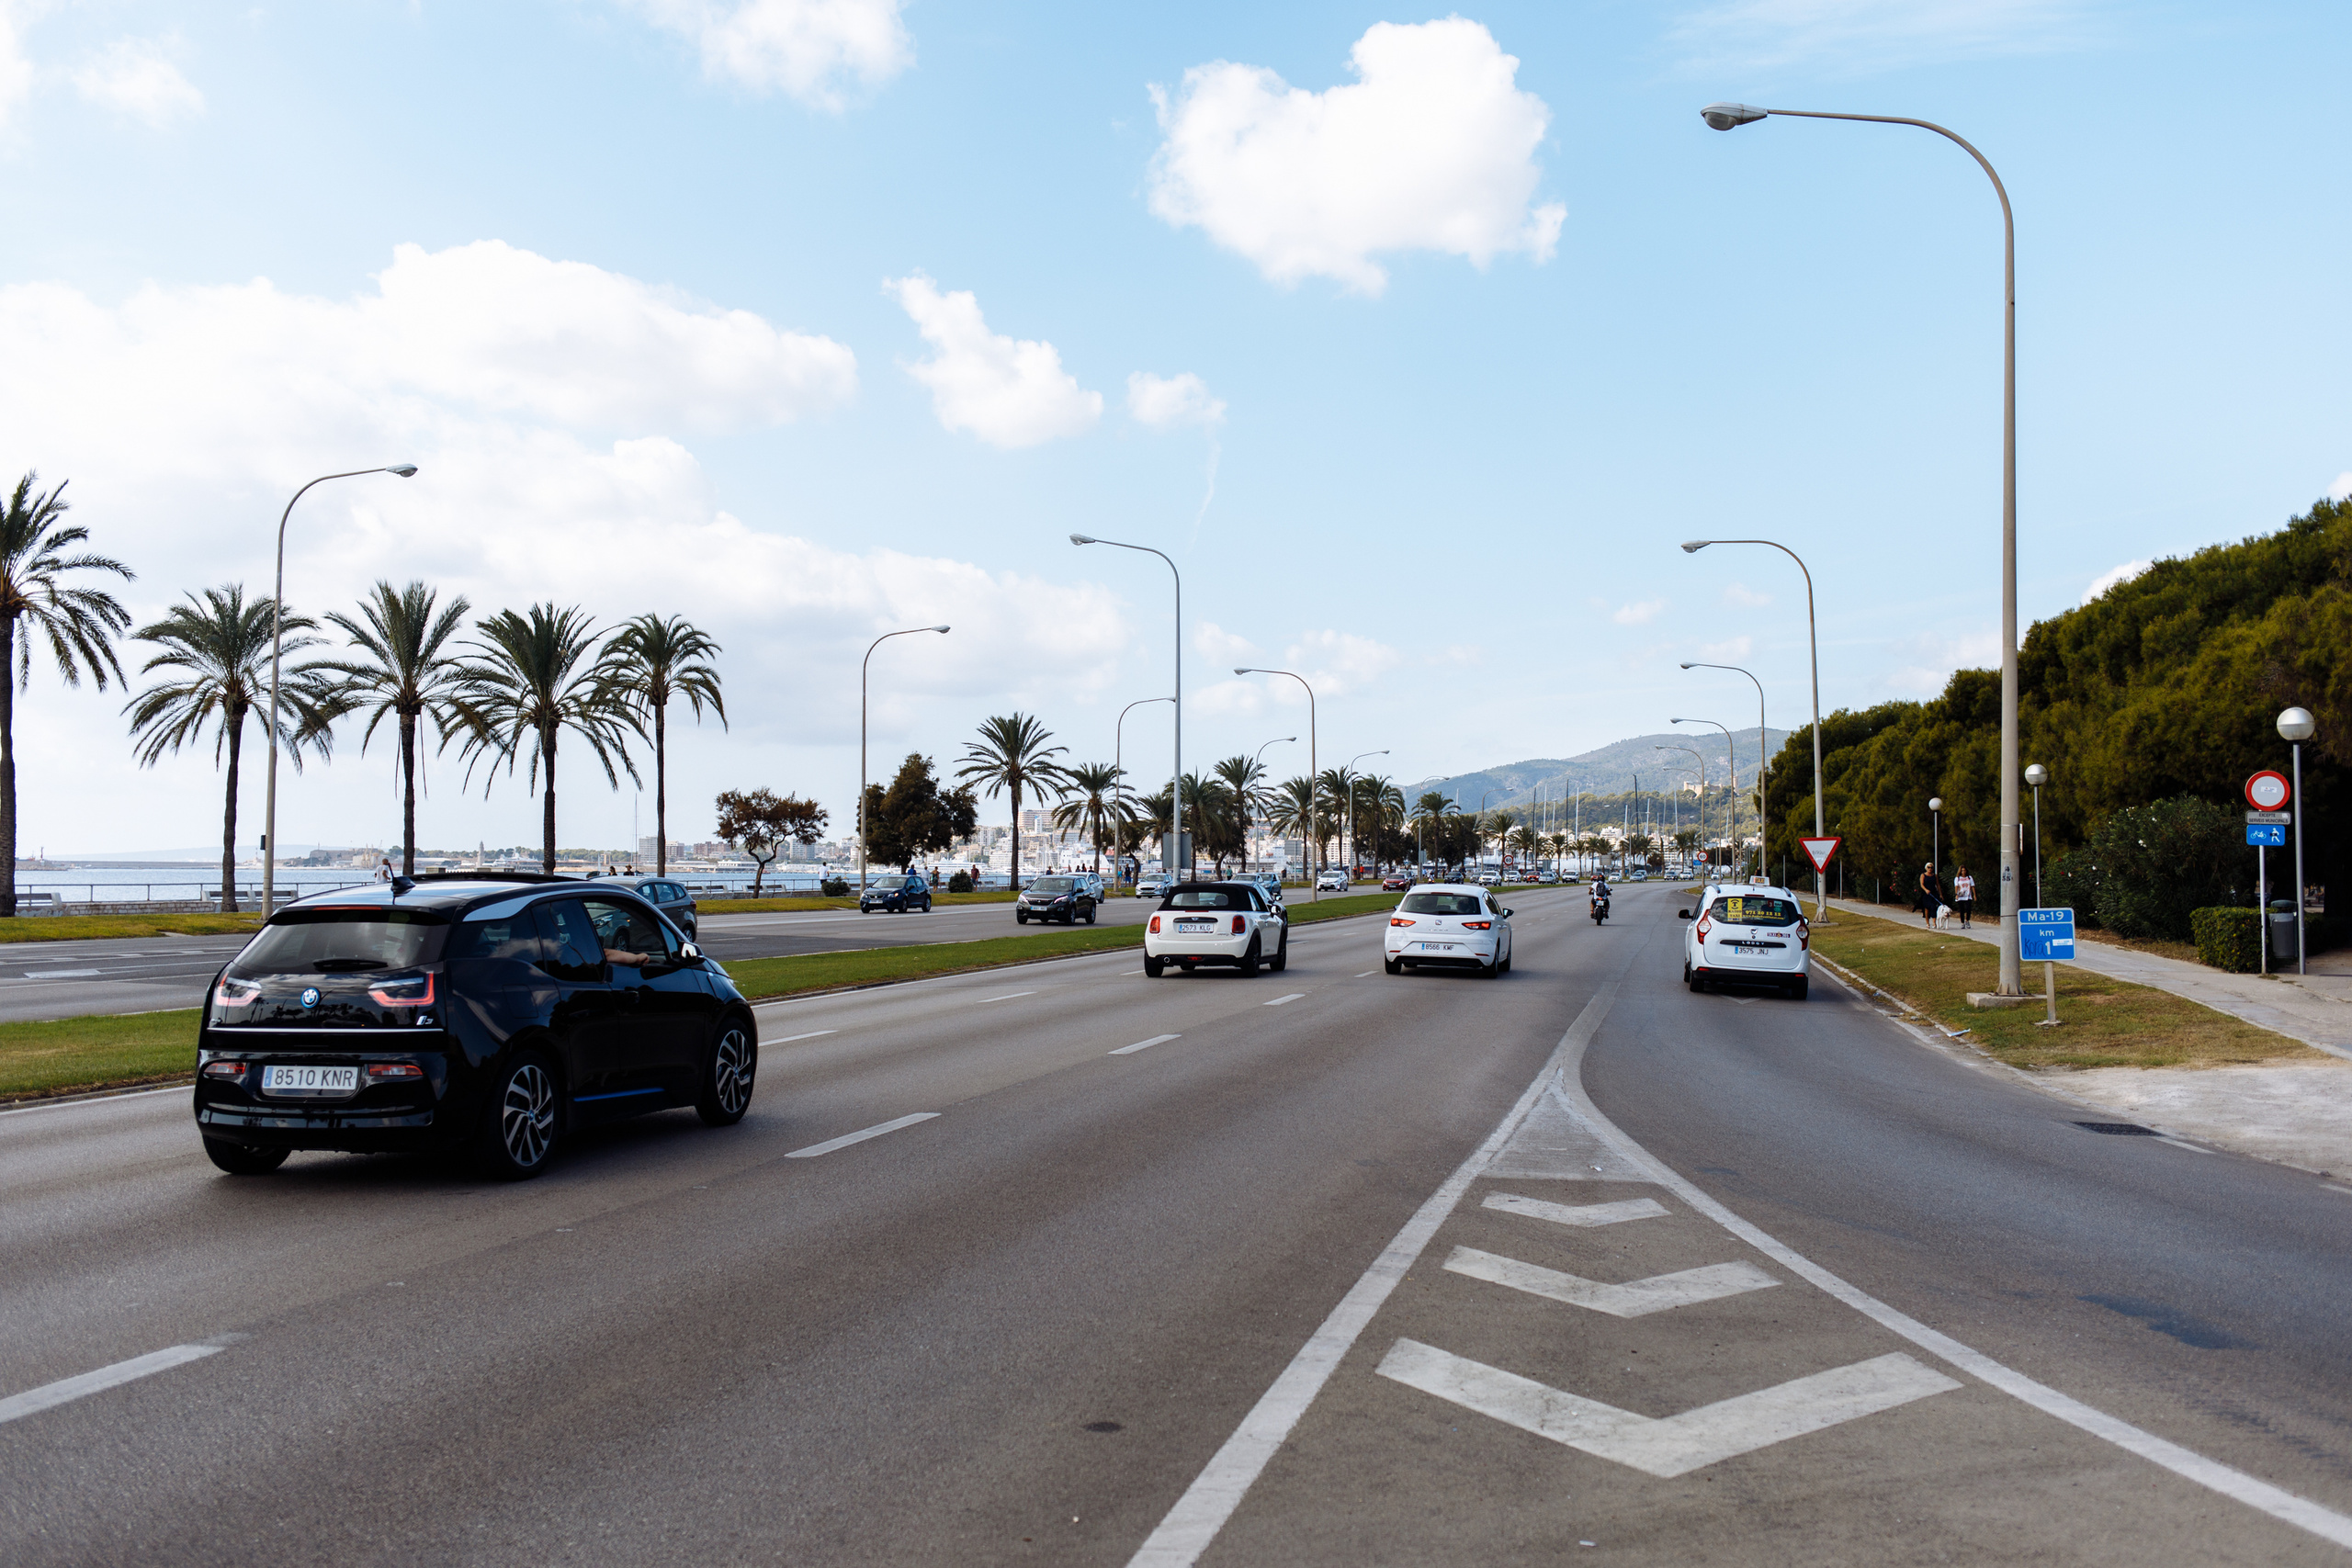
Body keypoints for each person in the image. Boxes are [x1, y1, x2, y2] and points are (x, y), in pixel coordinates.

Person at [1916, 861, 1944, 928]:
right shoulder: (1923, 875)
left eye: (1931, 867)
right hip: (1926, 893)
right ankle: (1927, 923)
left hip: (1933, 892)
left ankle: (1934, 923)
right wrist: (1926, 890)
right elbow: (1921, 884)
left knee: (1934, 907)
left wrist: (1940, 894)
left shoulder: (1935, 876)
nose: (1930, 869)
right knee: (1927, 908)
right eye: (1929, 867)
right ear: (1926, 868)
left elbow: (1938, 885)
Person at [1951, 865, 1977, 929]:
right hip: (1961, 896)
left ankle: (1967, 920)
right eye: (1962, 871)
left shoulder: (1969, 877)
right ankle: (1962, 922)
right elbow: (1956, 886)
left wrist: (1974, 895)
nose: (1963, 872)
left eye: (1964, 870)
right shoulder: (1957, 878)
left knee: (1968, 909)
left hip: (1968, 895)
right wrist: (1956, 894)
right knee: (1962, 910)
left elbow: (1972, 886)